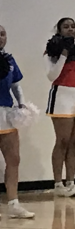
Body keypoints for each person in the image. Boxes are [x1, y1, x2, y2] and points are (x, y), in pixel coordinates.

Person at [45, 17, 75, 198]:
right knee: (63, 140)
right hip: (62, 96)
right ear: (59, 30)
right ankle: (58, 184)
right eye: (66, 27)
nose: (70, 29)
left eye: (73, 26)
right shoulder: (53, 51)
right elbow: (52, 76)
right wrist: (64, 54)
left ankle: (71, 182)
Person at [0, 25, 35, 219]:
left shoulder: (9, 60)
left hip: (6, 113)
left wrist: (22, 104)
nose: (0, 37)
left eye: (3, 34)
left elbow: (15, 85)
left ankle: (13, 203)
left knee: (13, 159)